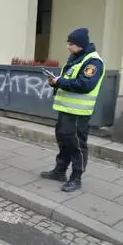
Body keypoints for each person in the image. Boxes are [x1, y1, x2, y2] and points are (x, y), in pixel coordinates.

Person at [40, 28, 106, 192]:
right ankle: (60, 171)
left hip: (78, 113)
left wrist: (60, 82)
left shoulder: (93, 62)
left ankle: (76, 178)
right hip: (65, 110)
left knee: (77, 145)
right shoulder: (76, 58)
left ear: (81, 44)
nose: (69, 47)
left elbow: (85, 85)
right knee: (64, 142)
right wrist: (55, 82)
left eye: (71, 44)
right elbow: (68, 79)